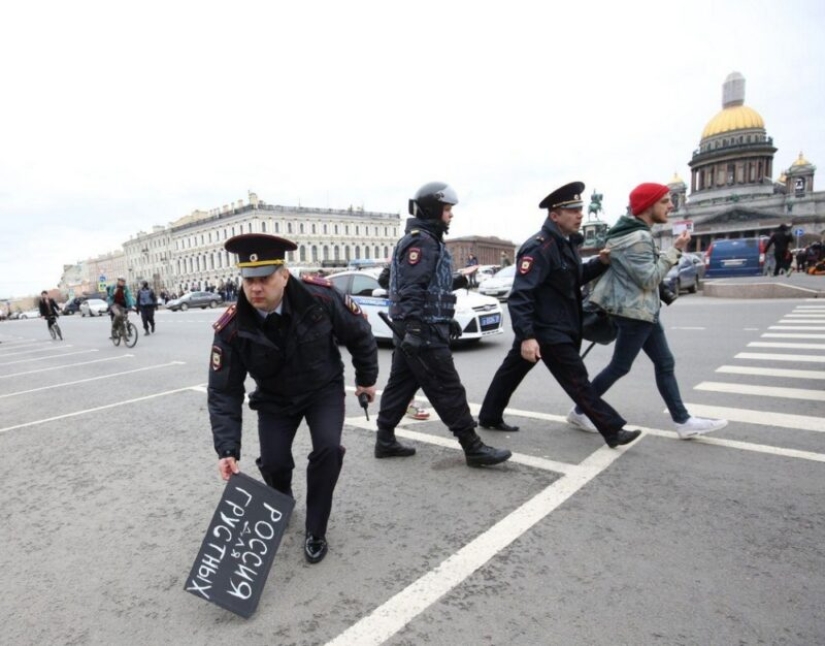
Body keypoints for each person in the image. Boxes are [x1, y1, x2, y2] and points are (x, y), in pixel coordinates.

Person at [208, 233, 378, 564]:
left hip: (321, 389)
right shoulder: (231, 327)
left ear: (284, 275)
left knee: (328, 449)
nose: (256, 288)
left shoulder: (321, 298)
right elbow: (223, 390)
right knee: (274, 463)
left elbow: (359, 333)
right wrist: (227, 450)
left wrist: (366, 380)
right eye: (248, 280)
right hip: (274, 398)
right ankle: (282, 500)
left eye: (265, 278)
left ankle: (316, 528)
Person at [478, 181, 641, 449]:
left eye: (581, 209)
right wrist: (528, 336)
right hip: (546, 330)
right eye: (573, 210)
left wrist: (600, 263)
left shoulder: (563, 244)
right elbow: (521, 295)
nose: (580, 215)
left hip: (555, 327)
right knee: (577, 380)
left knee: (510, 373)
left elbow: (571, 279)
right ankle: (612, 429)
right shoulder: (539, 247)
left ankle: (489, 415)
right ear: (555, 215)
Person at [571, 182, 728, 439]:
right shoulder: (639, 238)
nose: (671, 205)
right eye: (665, 201)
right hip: (636, 314)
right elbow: (649, 279)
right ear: (648, 205)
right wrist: (675, 250)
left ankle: (683, 421)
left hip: (642, 311)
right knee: (621, 367)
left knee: (663, 363)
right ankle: (580, 409)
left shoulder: (630, 233)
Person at [374, 181, 511, 467]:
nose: (451, 215)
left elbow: (391, 280)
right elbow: (412, 287)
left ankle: (384, 439)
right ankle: (472, 446)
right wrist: (414, 327)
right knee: (447, 387)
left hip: (419, 329)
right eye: (447, 209)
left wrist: (447, 309)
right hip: (421, 333)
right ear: (434, 210)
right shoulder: (422, 241)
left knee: (400, 386)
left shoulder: (419, 239)